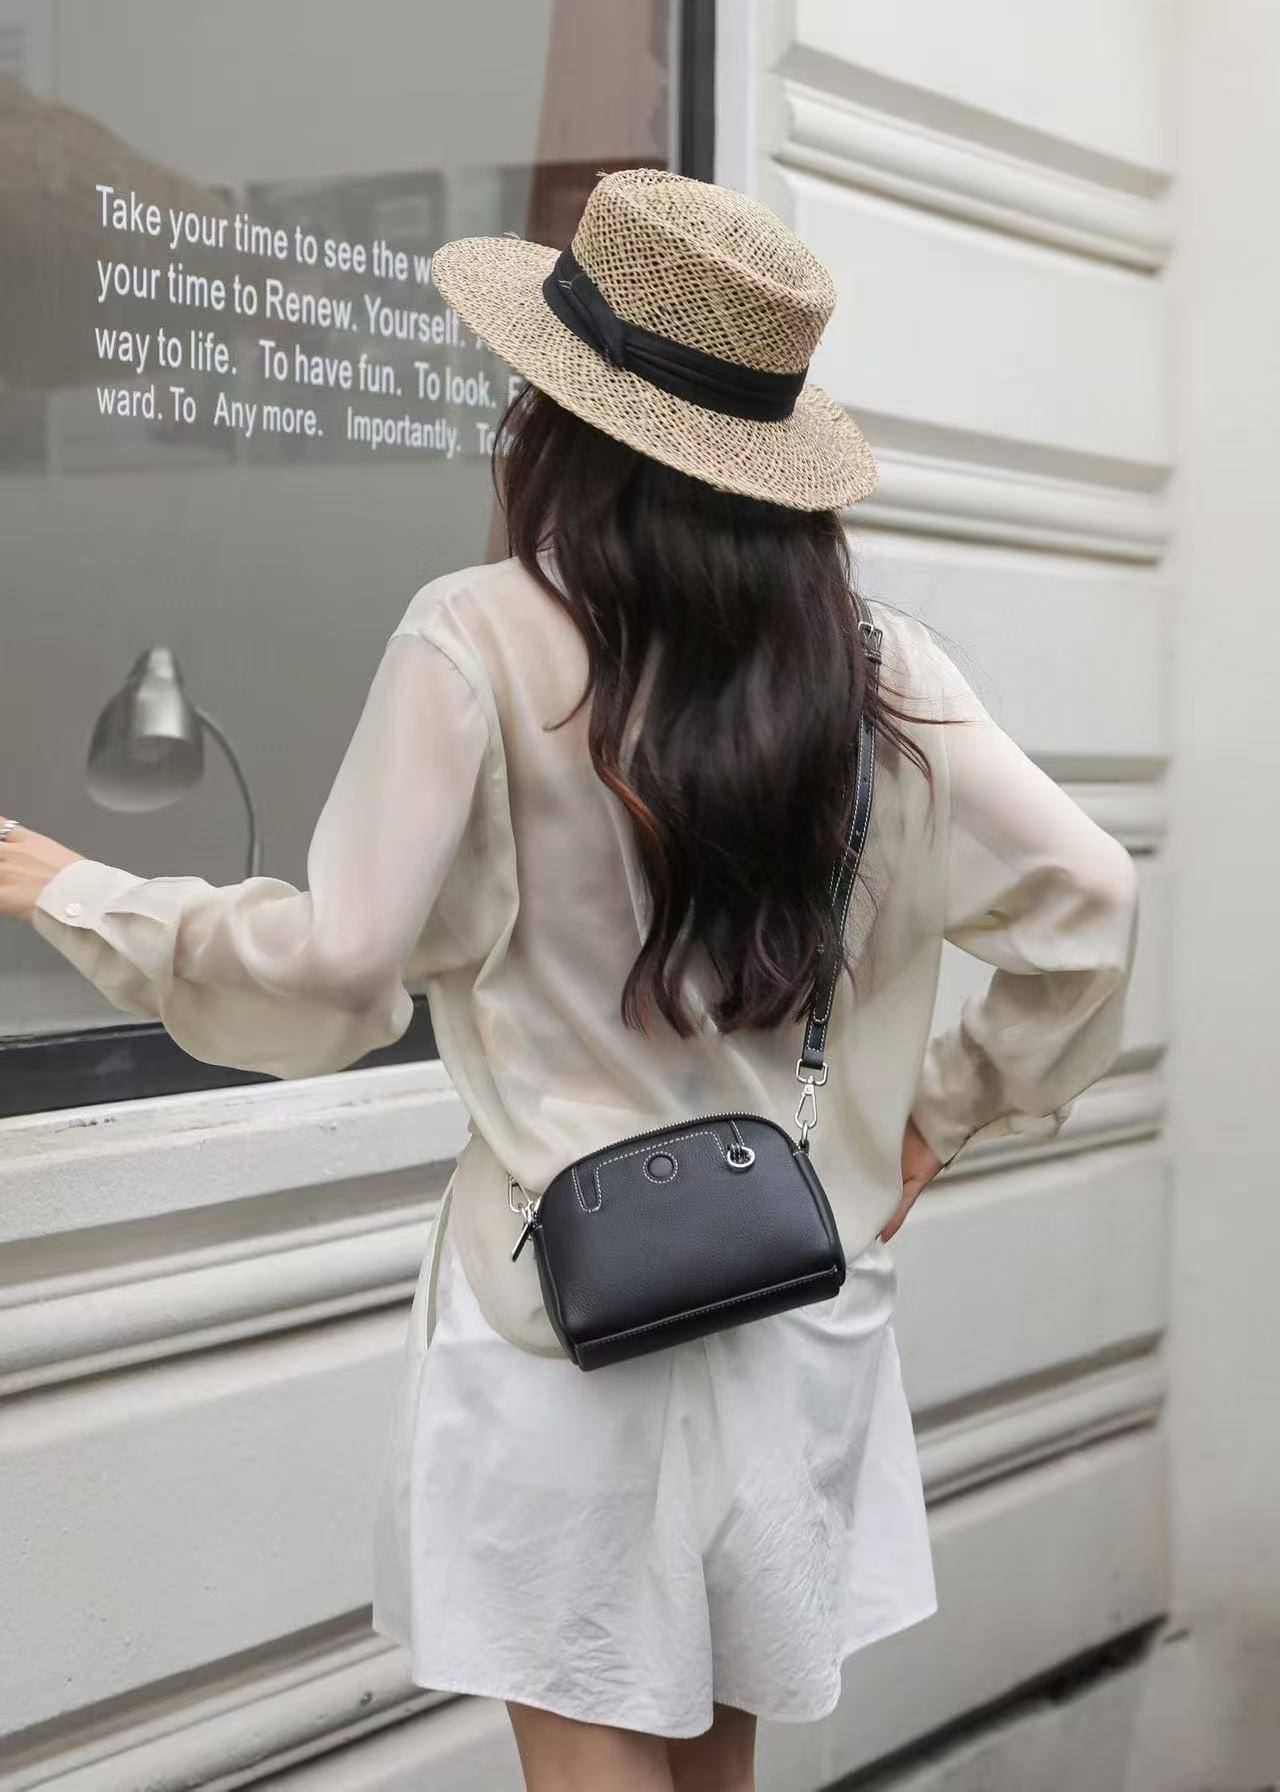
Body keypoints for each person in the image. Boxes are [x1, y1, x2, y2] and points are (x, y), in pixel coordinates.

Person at [0, 168, 1139, 1792]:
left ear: (561, 420)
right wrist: (931, 1124)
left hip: (568, 1302)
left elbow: (337, 973)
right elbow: (1091, 899)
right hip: (796, 1294)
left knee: (592, 1734)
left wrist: (89, 894)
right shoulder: (873, 663)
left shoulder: (476, 636)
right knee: (716, 1755)